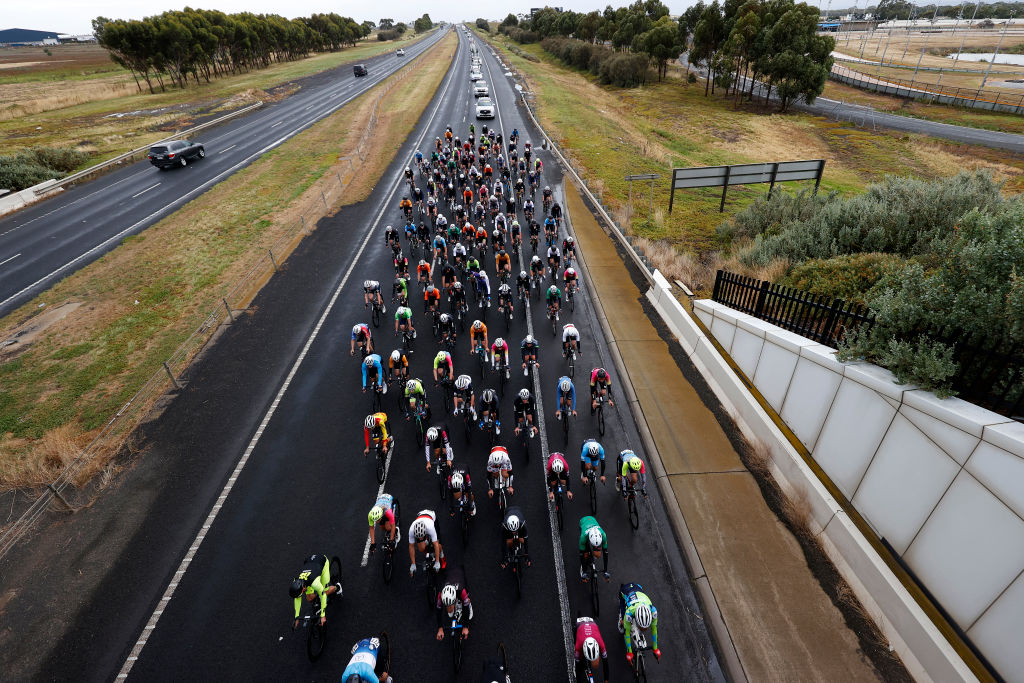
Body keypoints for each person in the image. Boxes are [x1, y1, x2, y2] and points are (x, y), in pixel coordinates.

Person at [289, 554, 342, 629]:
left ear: (303, 589)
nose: (300, 596)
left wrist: (323, 616)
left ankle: (337, 587)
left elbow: (323, 595)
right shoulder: (296, 581)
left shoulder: (315, 583)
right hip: (310, 563)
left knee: (324, 592)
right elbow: (297, 598)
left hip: (322, 562)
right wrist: (296, 617)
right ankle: (319, 599)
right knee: (309, 598)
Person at [618, 583, 660, 664]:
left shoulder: (653, 611)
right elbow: (627, 634)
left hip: (638, 589)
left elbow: (654, 629)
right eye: (641, 627)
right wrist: (629, 651)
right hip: (625, 591)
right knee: (624, 625)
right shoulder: (629, 612)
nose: (644, 630)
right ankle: (620, 618)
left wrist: (656, 648)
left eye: (646, 627)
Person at [435, 565, 474, 642]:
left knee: (466, 601)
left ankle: (466, 603)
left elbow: (465, 609)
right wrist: (440, 628)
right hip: (450, 575)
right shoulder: (440, 594)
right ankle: (452, 605)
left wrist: (466, 627)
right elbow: (438, 611)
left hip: (460, 576)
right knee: (450, 612)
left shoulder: (462, 591)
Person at [408, 509, 446, 576]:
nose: (420, 539)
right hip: (421, 518)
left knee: (438, 544)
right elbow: (411, 546)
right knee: (421, 548)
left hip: (431, 517)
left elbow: (436, 544)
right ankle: (426, 542)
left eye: (422, 537)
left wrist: (437, 562)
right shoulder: (411, 530)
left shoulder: (430, 527)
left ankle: (442, 555)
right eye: (419, 537)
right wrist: (413, 564)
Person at [574, 616, 609, 682]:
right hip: (579, 625)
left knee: (595, 664)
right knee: (579, 661)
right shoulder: (578, 646)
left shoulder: (600, 643)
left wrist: (606, 680)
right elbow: (577, 668)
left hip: (592, 624)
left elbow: (605, 663)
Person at [578, 516, 610, 581]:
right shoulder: (583, 537)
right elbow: (581, 554)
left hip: (592, 519)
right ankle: (587, 558)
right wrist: (584, 572)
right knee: (585, 554)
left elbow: (605, 553)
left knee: (597, 554)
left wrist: (606, 571)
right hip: (583, 522)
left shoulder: (603, 535)